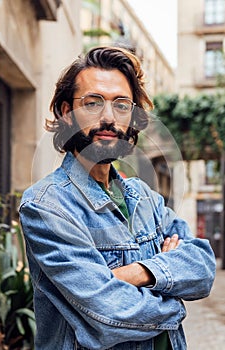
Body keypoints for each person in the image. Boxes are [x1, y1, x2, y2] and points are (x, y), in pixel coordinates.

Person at [19, 46, 216, 350]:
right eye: (93, 103)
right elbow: (109, 312)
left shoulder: (145, 196)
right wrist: (174, 296)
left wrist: (138, 272)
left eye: (122, 105)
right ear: (65, 112)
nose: (109, 118)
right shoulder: (47, 206)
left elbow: (202, 267)